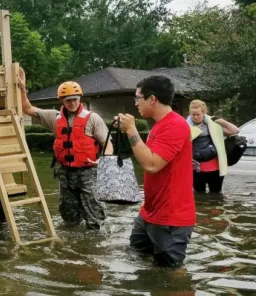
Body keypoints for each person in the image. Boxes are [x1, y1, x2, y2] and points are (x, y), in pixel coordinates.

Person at [117, 75, 195, 268]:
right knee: (137, 256)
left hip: (171, 218)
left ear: (152, 99)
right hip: (149, 212)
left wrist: (131, 130)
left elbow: (151, 164)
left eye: (138, 98)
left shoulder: (175, 125)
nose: (136, 103)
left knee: (170, 275)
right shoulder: (159, 125)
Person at [18, 68, 110, 230]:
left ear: (80, 98)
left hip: (88, 171)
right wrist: (22, 89)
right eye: (68, 100)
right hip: (65, 172)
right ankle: (74, 240)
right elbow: (27, 109)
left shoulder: (92, 118)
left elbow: (107, 143)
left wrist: (102, 161)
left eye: (75, 99)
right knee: (68, 213)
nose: (72, 103)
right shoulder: (54, 117)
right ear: (62, 101)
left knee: (93, 210)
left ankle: (97, 240)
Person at [187, 99, 239, 194]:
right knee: (199, 195)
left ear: (204, 112)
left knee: (216, 195)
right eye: (193, 115)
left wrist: (223, 122)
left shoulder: (213, 125)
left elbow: (235, 131)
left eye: (198, 114)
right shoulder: (185, 126)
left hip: (214, 168)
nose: (195, 117)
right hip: (195, 168)